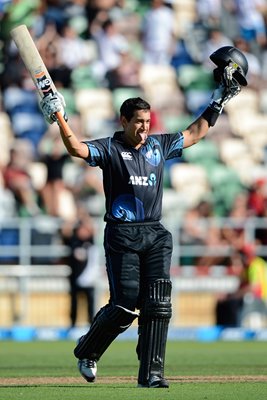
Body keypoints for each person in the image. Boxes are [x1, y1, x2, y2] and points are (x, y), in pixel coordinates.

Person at [39, 47, 245, 388]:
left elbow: (195, 133)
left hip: (155, 233)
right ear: (124, 121)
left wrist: (218, 100)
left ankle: (152, 373)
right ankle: (88, 350)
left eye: (148, 123)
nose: (145, 129)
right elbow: (76, 148)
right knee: (125, 304)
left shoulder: (157, 146)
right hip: (122, 234)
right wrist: (60, 116)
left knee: (159, 301)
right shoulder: (109, 148)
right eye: (139, 123)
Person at [215, 244, 267, 327]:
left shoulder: (255, 265)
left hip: (261, 299)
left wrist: (233, 296)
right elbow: (242, 285)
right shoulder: (251, 266)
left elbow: (254, 287)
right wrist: (229, 295)